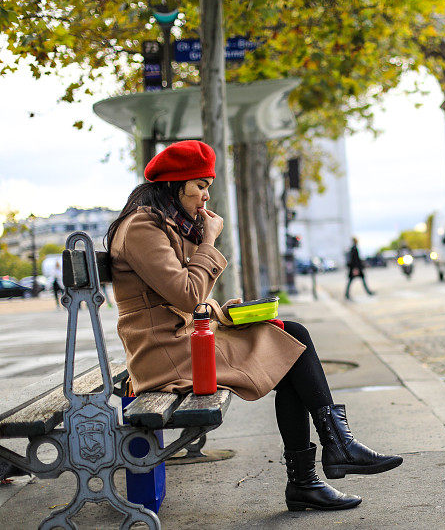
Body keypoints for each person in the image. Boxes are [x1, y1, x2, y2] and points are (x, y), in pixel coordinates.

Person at [106, 141, 401, 512]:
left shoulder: (163, 224)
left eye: (208, 186)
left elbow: (184, 298)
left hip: (182, 340)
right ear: (173, 184)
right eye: (199, 185)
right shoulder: (141, 228)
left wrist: (221, 311)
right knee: (292, 341)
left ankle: (321, 465)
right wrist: (209, 241)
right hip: (163, 355)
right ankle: (325, 460)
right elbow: (185, 294)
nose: (205, 195)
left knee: (289, 337)